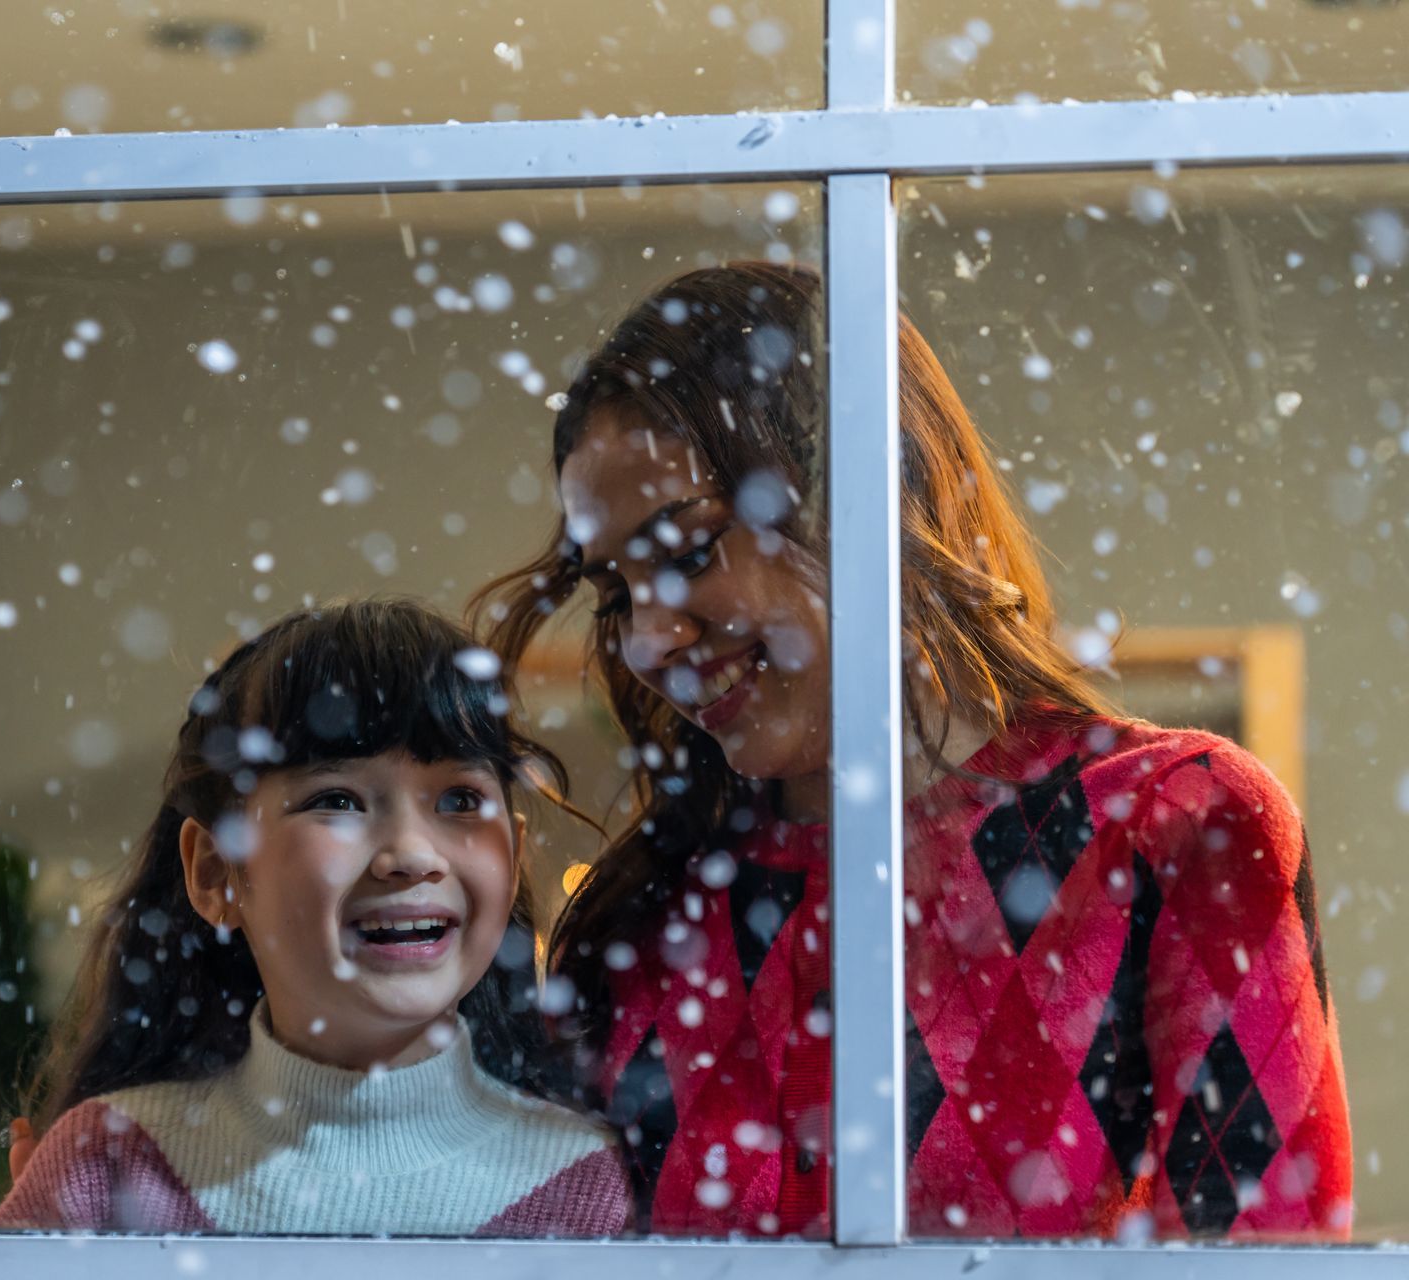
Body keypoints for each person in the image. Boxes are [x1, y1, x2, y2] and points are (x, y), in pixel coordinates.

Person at [474, 262, 1353, 1241]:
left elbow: (1272, 1257)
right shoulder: (645, 919)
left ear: (865, 496)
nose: (645, 639)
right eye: (617, 591)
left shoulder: (1176, 823)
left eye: (684, 553)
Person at [0, 599, 630, 1236]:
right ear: (216, 873)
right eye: (337, 799)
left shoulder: (587, 1184)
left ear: (512, 858)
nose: (411, 854)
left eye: (460, 799)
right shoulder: (109, 1166)